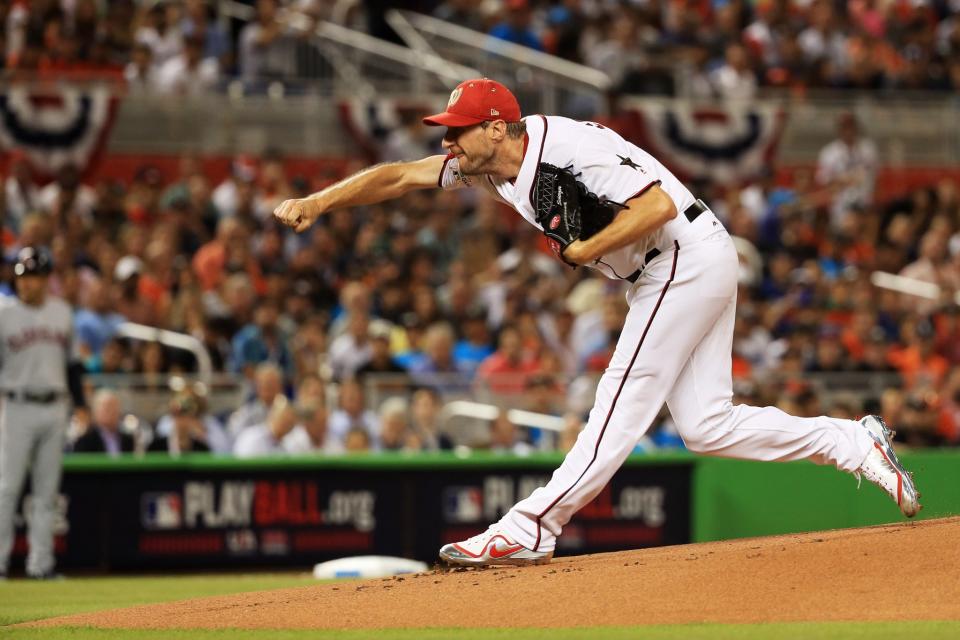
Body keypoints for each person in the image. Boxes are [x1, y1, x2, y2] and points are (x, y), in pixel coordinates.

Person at [274, 78, 920, 567]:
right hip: (678, 265)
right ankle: (851, 442)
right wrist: (319, 201)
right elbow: (397, 177)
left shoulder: (567, 147)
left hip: (681, 256)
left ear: (498, 129)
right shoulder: (495, 169)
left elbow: (660, 203)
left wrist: (585, 249)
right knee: (706, 425)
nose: (448, 141)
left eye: (459, 130)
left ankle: (531, 527)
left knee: (620, 396)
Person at [0, 247, 86, 579]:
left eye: (34, 277)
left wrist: (81, 406)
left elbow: (73, 365)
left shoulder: (62, 312)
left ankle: (41, 566)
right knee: (7, 489)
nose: (27, 284)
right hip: (16, 405)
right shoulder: (4, 314)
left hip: (56, 406)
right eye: (22, 277)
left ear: (47, 280)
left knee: (47, 492)